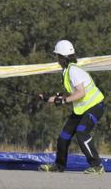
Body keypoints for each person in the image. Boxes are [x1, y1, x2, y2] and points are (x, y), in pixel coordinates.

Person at [38, 40, 105, 174]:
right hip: (81, 109)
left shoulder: (73, 71)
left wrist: (64, 101)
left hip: (95, 106)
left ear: (63, 57)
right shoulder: (67, 71)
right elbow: (71, 95)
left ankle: (97, 166)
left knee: (81, 132)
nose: (56, 58)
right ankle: (59, 165)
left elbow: (81, 93)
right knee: (63, 137)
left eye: (57, 56)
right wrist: (47, 98)